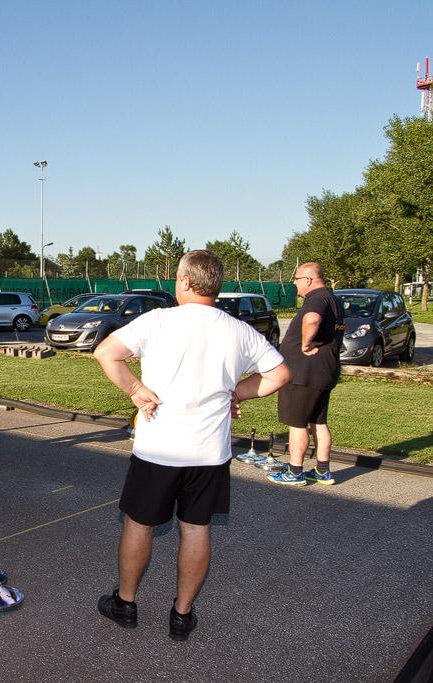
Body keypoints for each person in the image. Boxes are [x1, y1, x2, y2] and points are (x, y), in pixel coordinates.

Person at [93, 250, 289, 641]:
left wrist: (135, 389)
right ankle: (181, 614)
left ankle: (126, 603)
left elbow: (105, 353)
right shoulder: (239, 330)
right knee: (196, 529)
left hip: (158, 451)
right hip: (208, 455)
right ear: (216, 285)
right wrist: (239, 391)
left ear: (184, 281)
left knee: (139, 524)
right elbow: (280, 374)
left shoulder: (158, 320)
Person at [268, 262, 344, 487]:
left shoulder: (317, 299)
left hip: (304, 374)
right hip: (323, 372)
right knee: (318, 421)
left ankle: (295, 471)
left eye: (297, 279)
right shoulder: (333, 299)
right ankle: (322, 471)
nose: (295, 284)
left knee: (297, 423)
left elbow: (312, 319)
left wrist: (305, 344)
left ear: (309, 280)